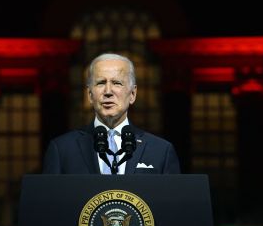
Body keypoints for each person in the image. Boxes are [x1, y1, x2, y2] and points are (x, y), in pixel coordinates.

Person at [42, 53, 181, 174]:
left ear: (132, 94)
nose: (108, 91)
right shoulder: (62, 149)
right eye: (101, 83)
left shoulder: (161, 151)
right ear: (90, 95)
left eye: (117, 83)